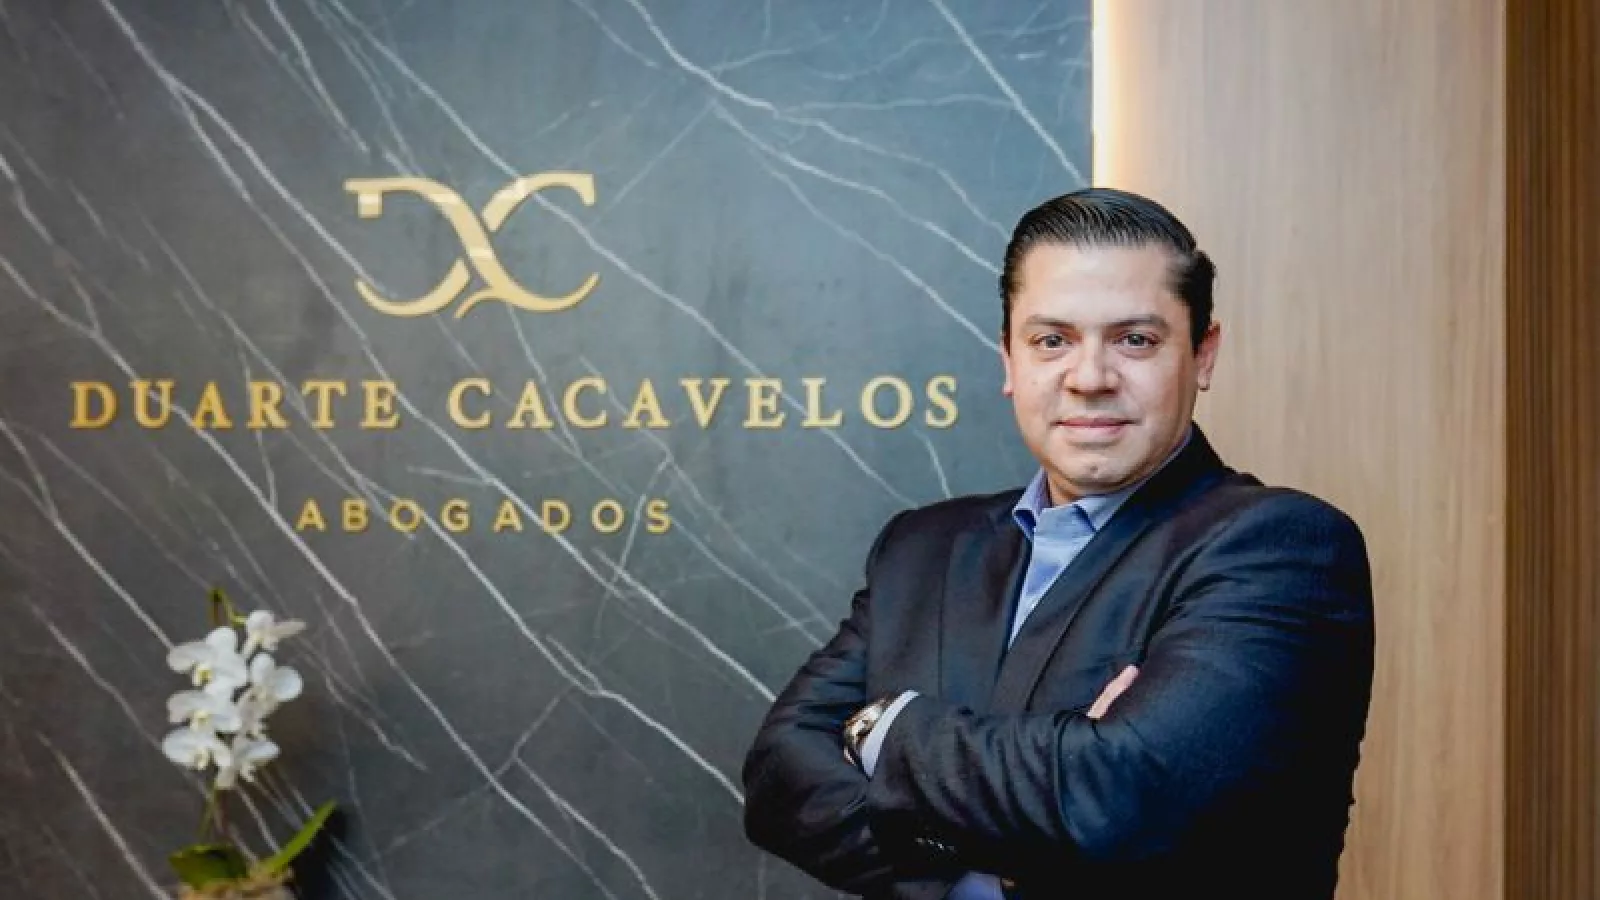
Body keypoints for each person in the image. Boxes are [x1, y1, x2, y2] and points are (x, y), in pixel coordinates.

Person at [740, 188, 1376, 899]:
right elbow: (779, 779)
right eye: (1052, 341)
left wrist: (884, 727)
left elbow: (1119, 794)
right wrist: (1025, 829)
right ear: (1009, 359)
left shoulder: (1282, 549)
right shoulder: (922, 551)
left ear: (1203, 354)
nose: (1089, 378)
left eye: (1135, 340)